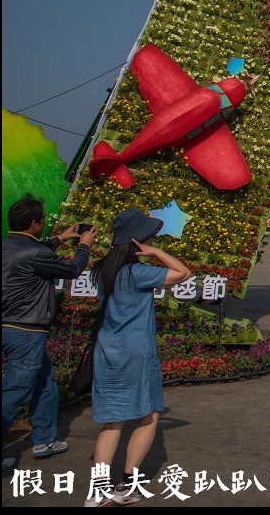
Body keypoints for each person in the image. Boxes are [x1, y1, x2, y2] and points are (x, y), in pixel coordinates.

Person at [85, 207, 192, 506]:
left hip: (107, 351)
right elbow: (183, 273)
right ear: (136, 241)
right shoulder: (138, 272)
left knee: (112, 422)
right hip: (137, 351)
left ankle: (99, 491)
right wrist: (155, 251)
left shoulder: (103, 270)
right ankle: (127, 484)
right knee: (148, 415)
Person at [2, 196, 96, 472]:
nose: (44, 221)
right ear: (34, 224)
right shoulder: (36, 254)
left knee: (44, 380)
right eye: (42, 218)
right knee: (15, 392)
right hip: (27, 331)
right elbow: (73, 269)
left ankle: (44, 439)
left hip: (12, 327)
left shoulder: (10, 247)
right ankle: (43, 438)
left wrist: (59, 239)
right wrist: (83, 246)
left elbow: (34, 254)